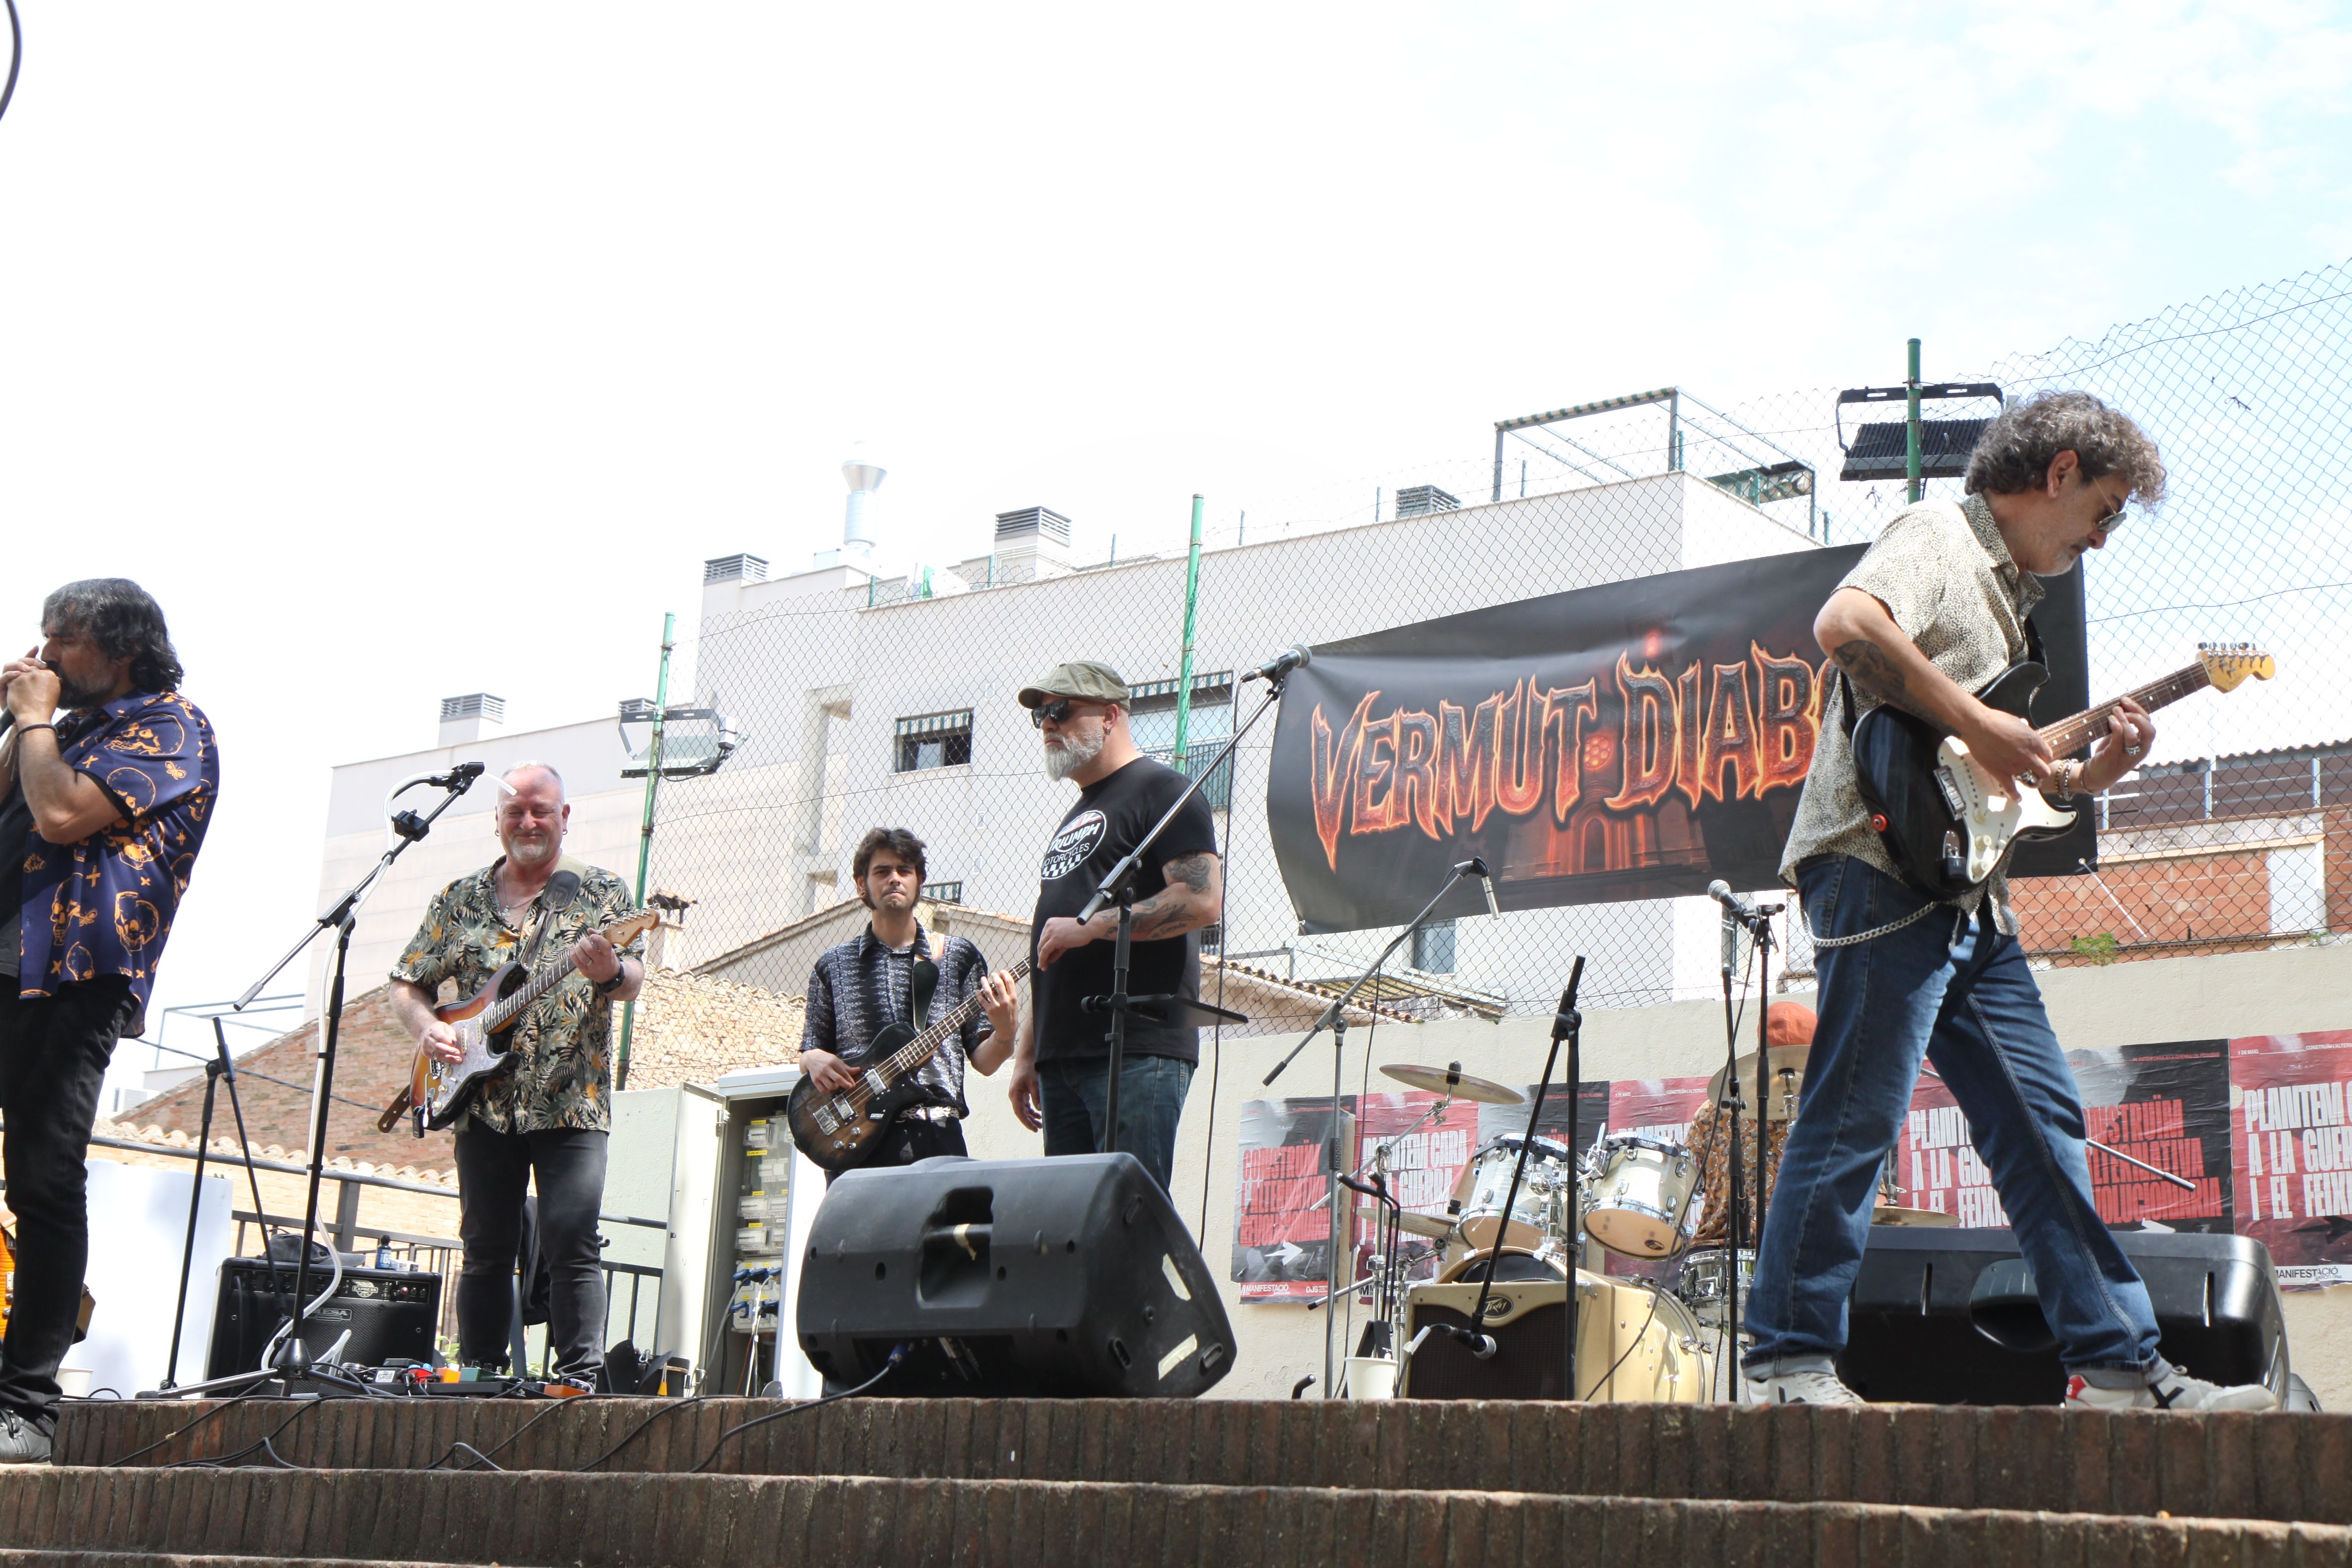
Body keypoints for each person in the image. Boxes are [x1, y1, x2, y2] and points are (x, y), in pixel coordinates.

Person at [1744, 391, 2272, 1411]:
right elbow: (1844, 623)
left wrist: (2098, 770)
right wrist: (1984, 724)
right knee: (1855, 1118)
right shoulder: (1939, 533)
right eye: (2105, 509)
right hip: (1872, 863)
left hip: (1965, 892)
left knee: (2042, 1125)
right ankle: (1786, 1364)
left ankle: (2121, 1368)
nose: (2104, 538)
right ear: (2061, 471)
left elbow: (2005, 783)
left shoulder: (2010, 596)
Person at [0, 580, 218, 1463]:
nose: (44, 653)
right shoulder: (58, 727)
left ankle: (27, 1403)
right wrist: (17, 722)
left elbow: (60, 813)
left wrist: (38, 725)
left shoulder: (170, 727)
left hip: (73, 980)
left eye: (65, 640)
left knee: (43, 1181)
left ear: (120, 650)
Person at [388, 762, 643, 1389]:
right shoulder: (459, 898)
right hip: (480, 1103)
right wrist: (428, 1027)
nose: (528, 822)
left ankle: (579, 1376)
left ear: (564, 818)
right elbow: (406, 982)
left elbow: (632, 982)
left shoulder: (600, 892)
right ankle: (479, 1374)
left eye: (541, 811)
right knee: (484, 1248)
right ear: (498, 821)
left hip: (570, 1100)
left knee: (571, 1240)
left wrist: (608, 968)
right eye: (516, 812)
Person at [1004, 661, 1223, 1195]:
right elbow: (1048, 945)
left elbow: (1201, 899)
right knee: (1072, 1230)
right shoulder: (1075, 814)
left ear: (1109, 715)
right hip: (1063, 1056)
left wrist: (1094, 927)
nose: (1047, 725)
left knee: (1128, 1223)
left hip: (1135, 1049)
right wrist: (1027, 1051)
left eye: (1059, 710)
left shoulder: (1163, 790)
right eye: (1040, 716)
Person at [797, 827, 1015, 1174]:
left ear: (919, 881)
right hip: (857, 1140)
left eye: (904, 871)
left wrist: (1005, 1031)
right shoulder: (833, 964)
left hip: (936, 1134)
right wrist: (813, 1059)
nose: (894, 879)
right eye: (882, 872)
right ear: (861, 884)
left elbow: (987, 1063)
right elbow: (810, 1053)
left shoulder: (957, 956)